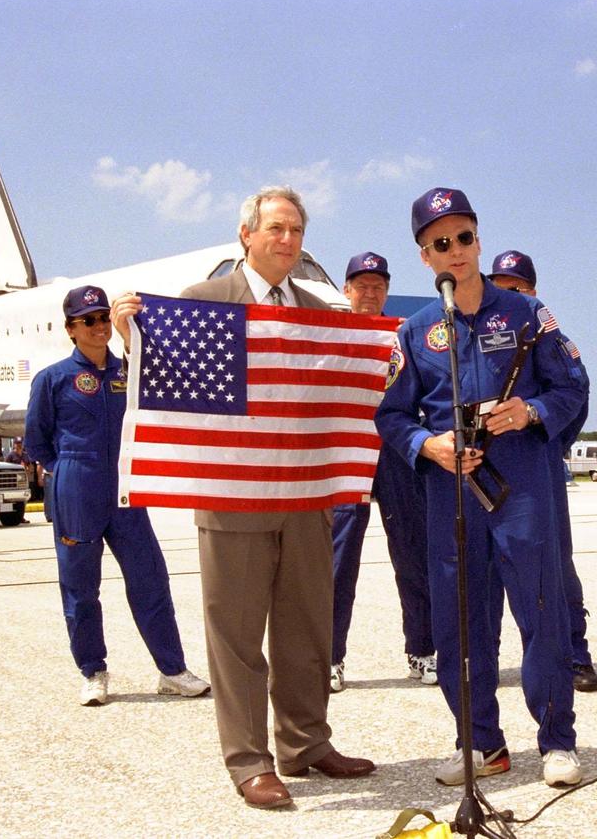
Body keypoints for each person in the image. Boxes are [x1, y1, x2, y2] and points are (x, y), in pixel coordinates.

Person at [113, 187, 375, 810]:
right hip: (233, 497)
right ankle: (250, 761)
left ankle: (306, 742)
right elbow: (162, 377)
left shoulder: (319, 309)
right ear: (247, 235)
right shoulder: (206, 305)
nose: (287, 240)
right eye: (277, 229)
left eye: (297, 231)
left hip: (306, 494)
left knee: (307, 627)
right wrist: (132, 332)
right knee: (235, 633)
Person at [376, 187, 589, 788]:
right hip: (454, 494)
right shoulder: (415, 332)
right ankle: (481, 744)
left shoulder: (526, 314)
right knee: (460, 623)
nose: (456, 251)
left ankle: (556, 741)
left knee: (540, 611)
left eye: (465, 237)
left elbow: (573, 386)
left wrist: (531, 411)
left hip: (522, 488)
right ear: (425, 256)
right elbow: (391, 416)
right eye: (440, 243)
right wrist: (429, 446)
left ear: (478, 239)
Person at [24, 285, 210, 710]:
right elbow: (37, 442)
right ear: (70, 329)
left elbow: (164, 395)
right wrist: (71, 470)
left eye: (104, 317)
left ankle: (171, 669)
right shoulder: (53, 379)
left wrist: (131, 337)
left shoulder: (131, 370)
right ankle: (93, 670)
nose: (99, 326)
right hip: (77, 487)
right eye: (88, 320)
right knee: (81, 587)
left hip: (127, 490)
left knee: (151, 579)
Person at [487, 249, 597, 693]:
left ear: (533, 292)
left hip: (536, 466)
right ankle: (486, 660)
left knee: (554, 565)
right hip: (484, 468)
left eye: (516, 287)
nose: (507, 294)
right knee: (486, 571)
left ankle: (575, 654)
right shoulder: (477, 334)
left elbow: (576, 395)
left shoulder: (549, 335)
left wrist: (544, 440)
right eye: (500, 287)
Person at [329, 251, 436, 693]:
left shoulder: (403, 334)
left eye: (377, 286)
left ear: (387, 291)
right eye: (361, 285)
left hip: (395, 452)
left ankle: (423, 651)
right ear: (346, 290)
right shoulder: (330, 335)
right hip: (348, 452)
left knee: (413, 554)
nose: (369, 292)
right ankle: (330, 657)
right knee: (338, 559)